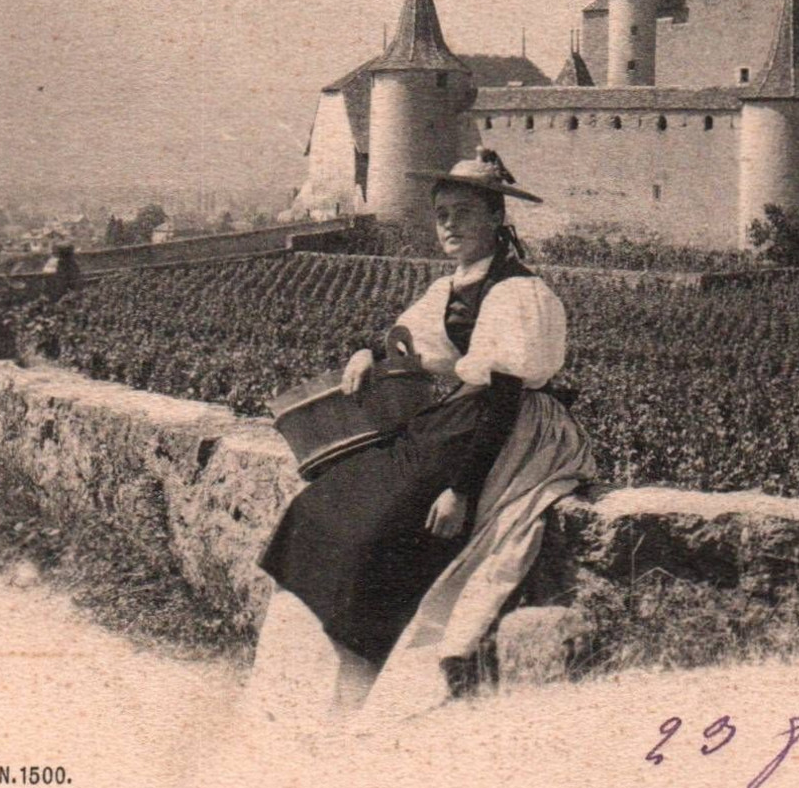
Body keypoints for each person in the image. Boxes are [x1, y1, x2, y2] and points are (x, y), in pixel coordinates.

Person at [247, 150, 595, 726]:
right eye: (440, 215)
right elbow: (410, 340)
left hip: (507, 429)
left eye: (462, 213)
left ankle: (363, 674)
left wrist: (460, 491)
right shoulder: (453, 286)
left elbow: (504, 395)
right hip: (460, 418)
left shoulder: (518, 293)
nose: (449, 226)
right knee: (323, 505)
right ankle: (330, 670)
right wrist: (368, 350)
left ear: (495, 219)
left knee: (379, 530)